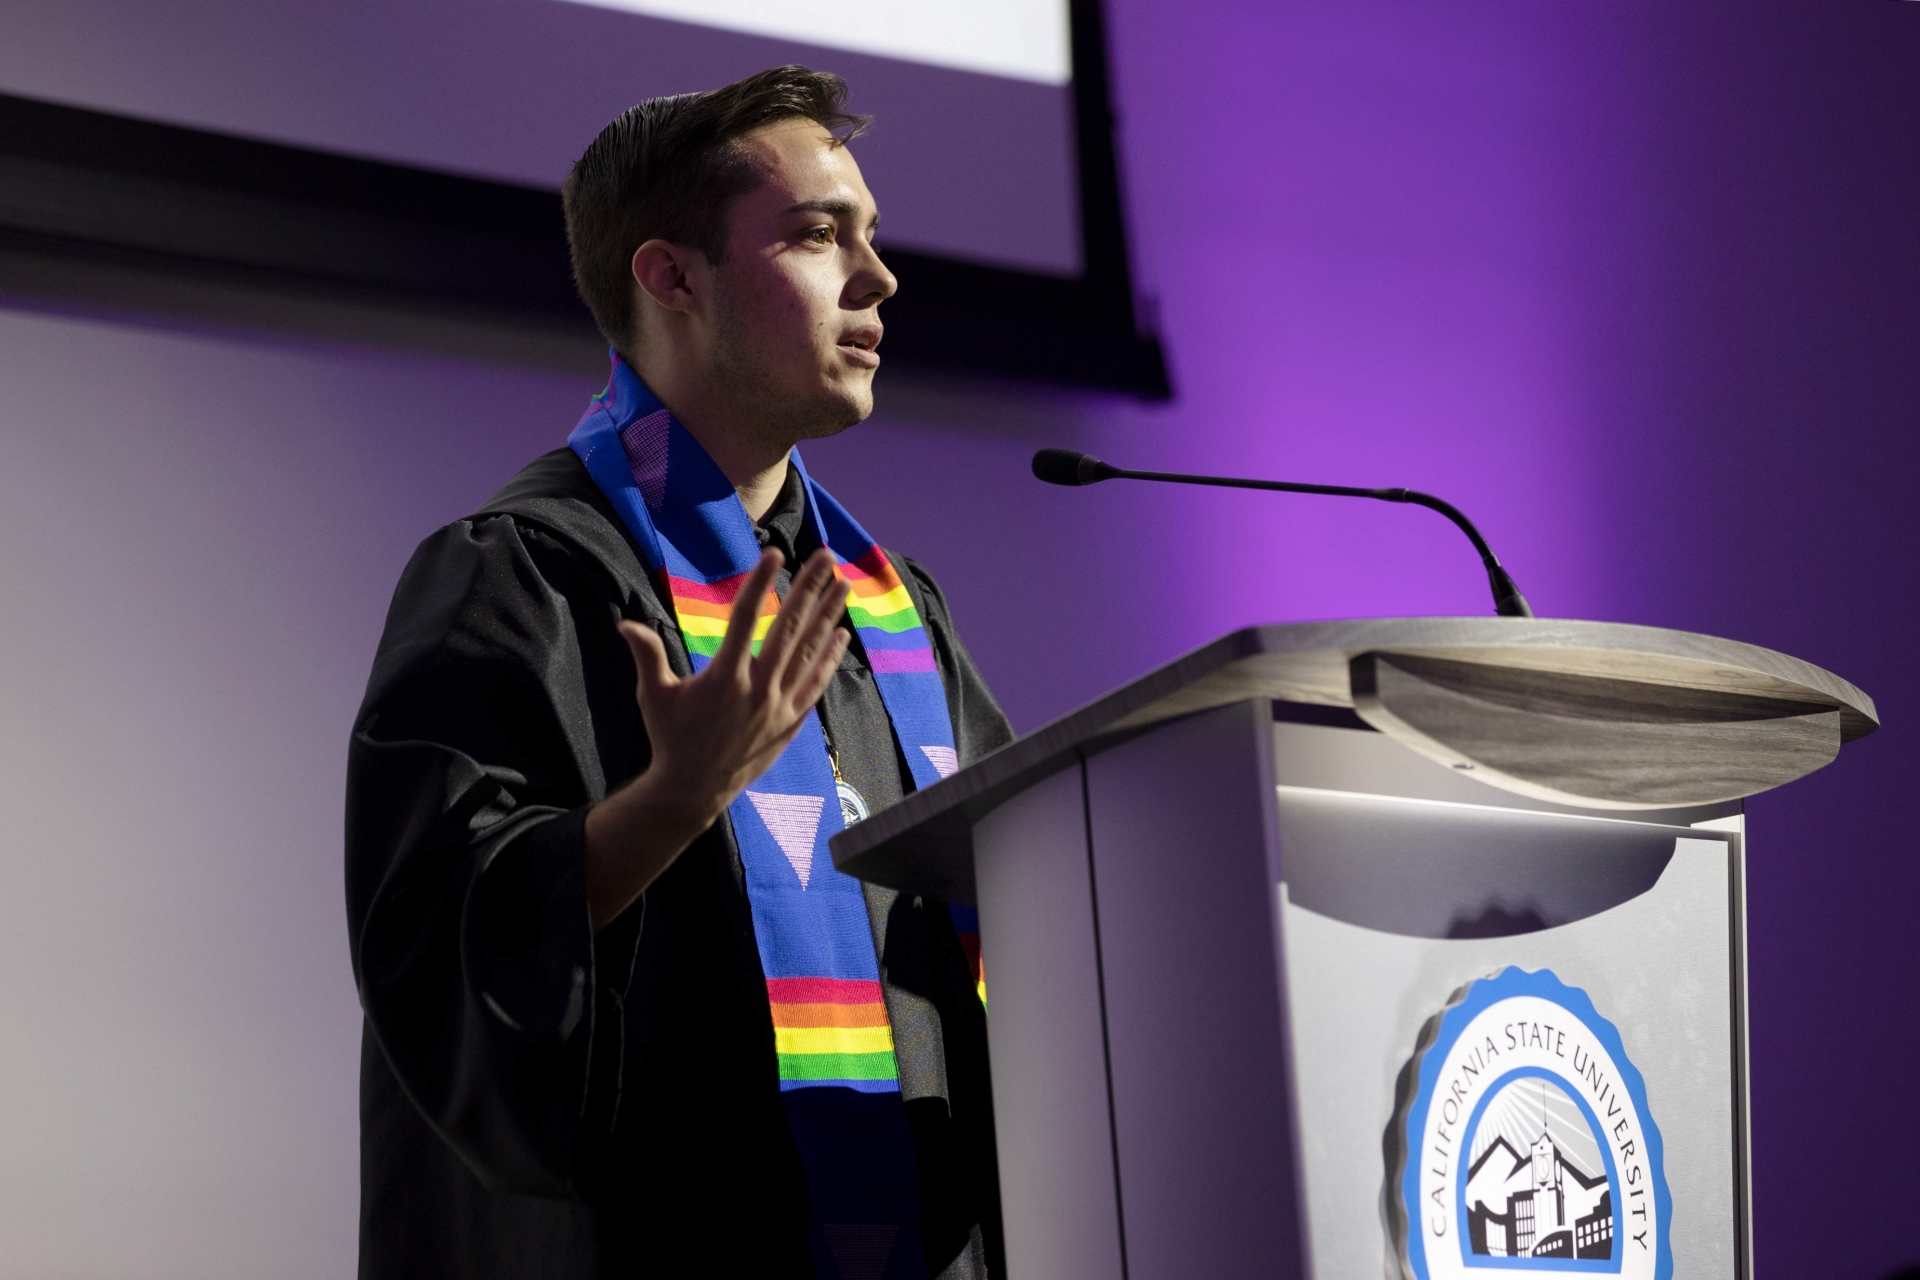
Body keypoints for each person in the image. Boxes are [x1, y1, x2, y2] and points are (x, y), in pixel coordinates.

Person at [345, 66, 1011, 1279]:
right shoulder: (525, 577)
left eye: (872, 234)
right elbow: (435, 956)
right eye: (819, 234)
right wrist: (671, 799)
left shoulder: (889, 611)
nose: (878, 277)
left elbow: (1023, 892)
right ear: (673, 277)